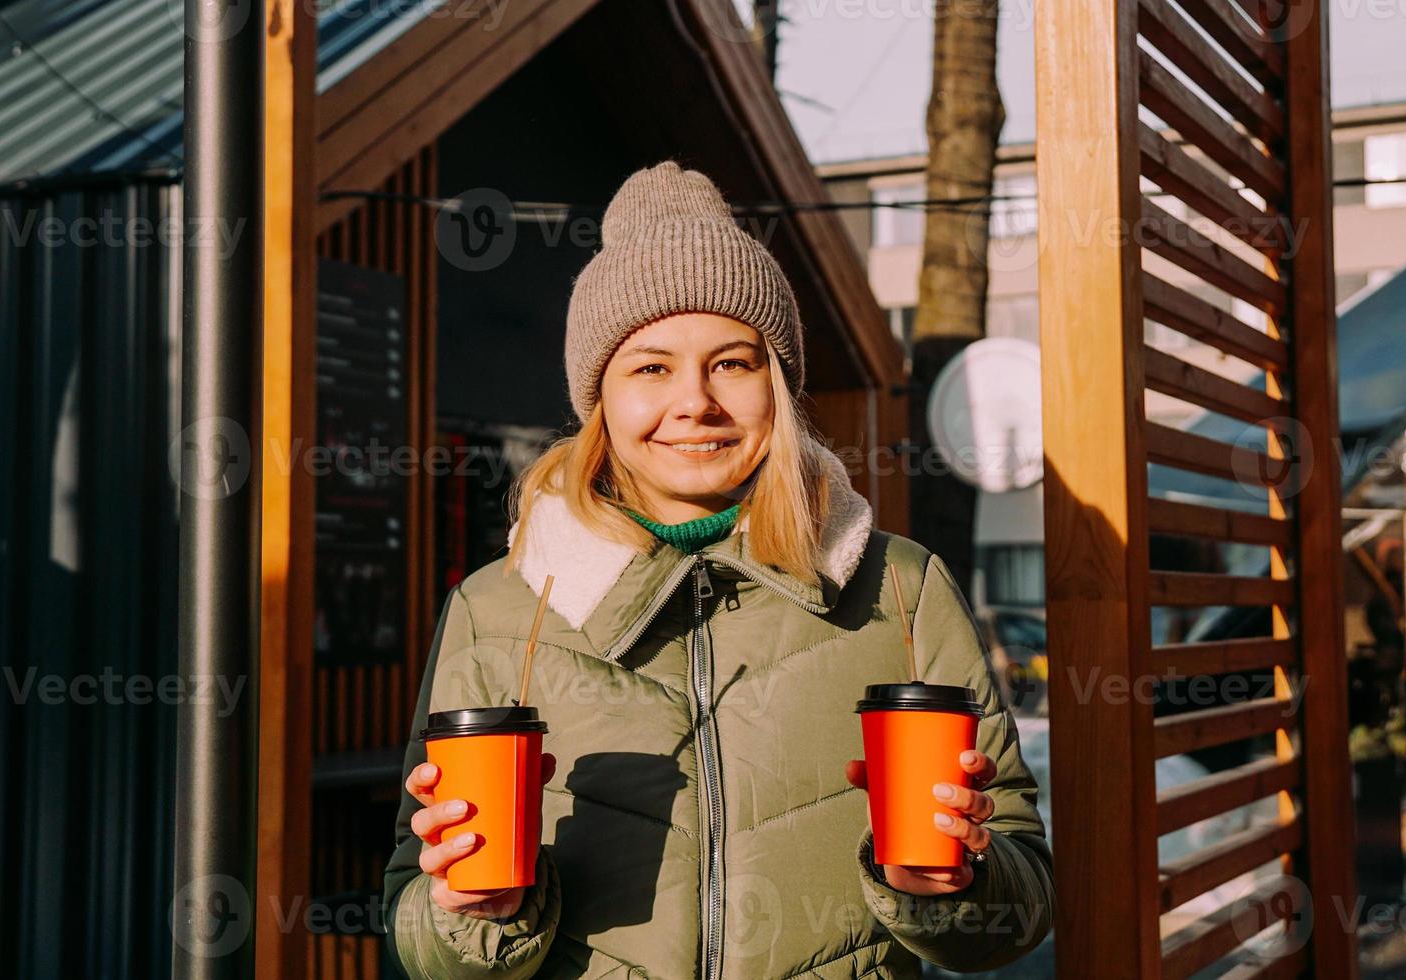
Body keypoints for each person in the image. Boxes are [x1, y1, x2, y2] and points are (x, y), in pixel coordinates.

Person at [381, 161, 1053, 979]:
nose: (695, 401)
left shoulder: (900, 589)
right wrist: (473, 916)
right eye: (651, 367)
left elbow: (1019, 911)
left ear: (778, 386)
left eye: (732, 363)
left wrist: (954, 884)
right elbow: (414, 935)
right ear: (600, 399)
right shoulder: (499, 606)